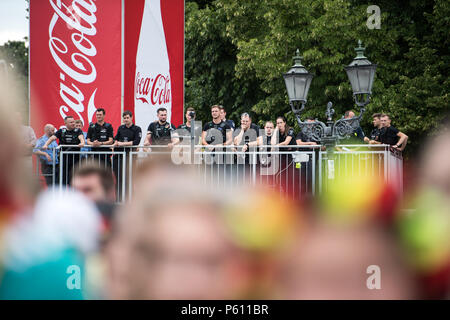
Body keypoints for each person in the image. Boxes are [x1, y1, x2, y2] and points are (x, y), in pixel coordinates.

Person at [42, 116, 85, 185]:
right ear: (66, 123)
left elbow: (81, 138)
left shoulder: (78, 131)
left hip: (75, 159)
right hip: (63, 159)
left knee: (74, 176)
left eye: (73, 121)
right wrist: (46, 144)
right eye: (71, 122)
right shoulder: (61, 131)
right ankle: (63, 192)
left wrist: (82, 142)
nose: (73, 123)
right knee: (63, 177)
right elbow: (52, 138)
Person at [112, 111, 142, 201]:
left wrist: (122, 144)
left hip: (130, 156)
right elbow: (115, 139)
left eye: (127, 118)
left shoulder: (137, 129)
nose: (125, 119)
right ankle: (118, 199)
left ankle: (130, 199)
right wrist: (116, 143)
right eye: (124, 118)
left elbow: (136, 142)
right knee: (119, 178)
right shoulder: (121, 128)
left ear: (131, 118)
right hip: (119, 157)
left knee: (129, 178)